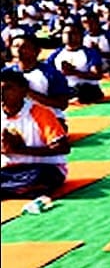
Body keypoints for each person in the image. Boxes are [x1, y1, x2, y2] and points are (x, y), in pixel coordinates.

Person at [1, 68, 70, 198]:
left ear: (23, 90)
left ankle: (16, 189)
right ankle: (21, 189)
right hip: (10, 170)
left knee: (42, 176)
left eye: (8, 88)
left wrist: (21, 150)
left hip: (43, 168)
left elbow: (63, 147)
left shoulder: (41, 113)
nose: (2, 93)